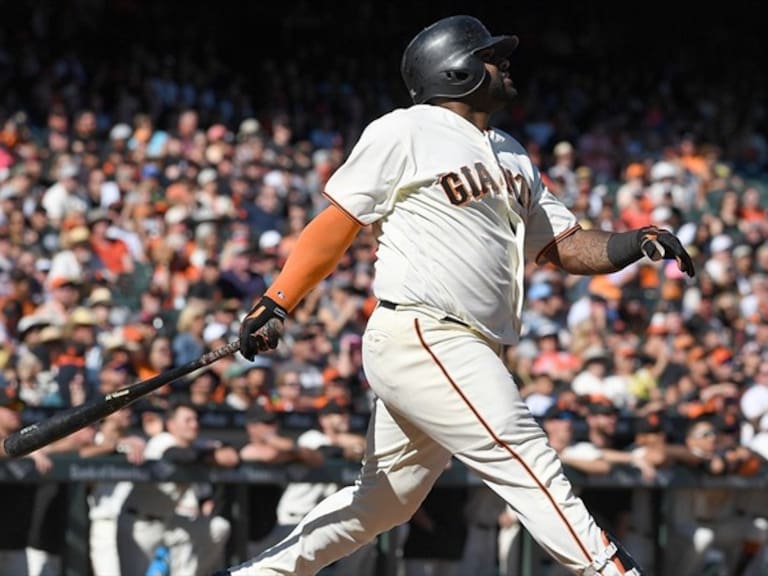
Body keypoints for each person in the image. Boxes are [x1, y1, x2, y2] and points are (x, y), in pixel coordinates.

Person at [220, 14, 694, 576]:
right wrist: (277, 299)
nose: (505, 63)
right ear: (457, 69)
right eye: (493, 57)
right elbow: (339, 222)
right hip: (425, 331)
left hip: (463, 345)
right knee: (523, 454)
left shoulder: (512, 151)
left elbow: (564, 246)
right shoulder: (406, 129)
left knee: (383, 501)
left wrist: (632, 241)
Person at [117, 399, 238, 576]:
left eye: (196, 420)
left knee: (218, 527)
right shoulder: (162, 440)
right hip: (139, 522)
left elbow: (232, 456)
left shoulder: (197, 444)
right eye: (187, 420)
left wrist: (214, 452)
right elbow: (179, 455)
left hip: (171, 522)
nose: (194, 425)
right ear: (171, 424)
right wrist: (212, 453)